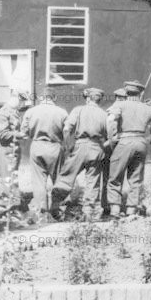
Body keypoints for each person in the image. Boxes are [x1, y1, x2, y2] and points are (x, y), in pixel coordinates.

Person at [106, 80, 151, 219]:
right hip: (141, 142)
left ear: (126, 92)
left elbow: (110, 120)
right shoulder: (148, 108)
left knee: (115, 177)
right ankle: (131, 211)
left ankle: (115, 211)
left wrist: (112, 139)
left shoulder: (120, 105)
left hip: (124, 141)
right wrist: (149, 138)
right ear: (141, 93)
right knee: (135, 179)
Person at [51, 87, 108, 221]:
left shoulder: (78, 110)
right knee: (92, 180)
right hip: (97, 148)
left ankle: (55, 206)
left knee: (67, 175)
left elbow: (66, 129)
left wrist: (68, 145)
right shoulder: (104, 114)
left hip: (80, 146)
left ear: (88, 98)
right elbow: (109, 135)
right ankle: (88, 211)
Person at [20, 87, 67, 213]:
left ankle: (42, 209)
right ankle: (56, 209)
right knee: (58, 179)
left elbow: (24, 132)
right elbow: (67, 132)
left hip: (37, 145)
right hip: (55, 146)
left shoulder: (31, 112)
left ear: (41, 98)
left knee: (38, 180)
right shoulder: (62, 112)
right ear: (54, 98)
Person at [102, 88, 127, 215]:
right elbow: (110, 123)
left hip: (108, 146)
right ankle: (113, 207)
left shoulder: (111, 108)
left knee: (108, 177)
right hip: (114, 145)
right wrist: (112, 141)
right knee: (115, 177)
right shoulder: (118, 109)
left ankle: (106, 205)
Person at [0, 90, 28, 178]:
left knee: (13, 182)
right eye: (21, 101)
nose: (23, 104)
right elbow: (3, 135)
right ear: (14, 99)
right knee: (8, 183)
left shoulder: (14, 112)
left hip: (13, 150)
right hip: (4, 150)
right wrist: (20, 134)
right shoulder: (2, 113)